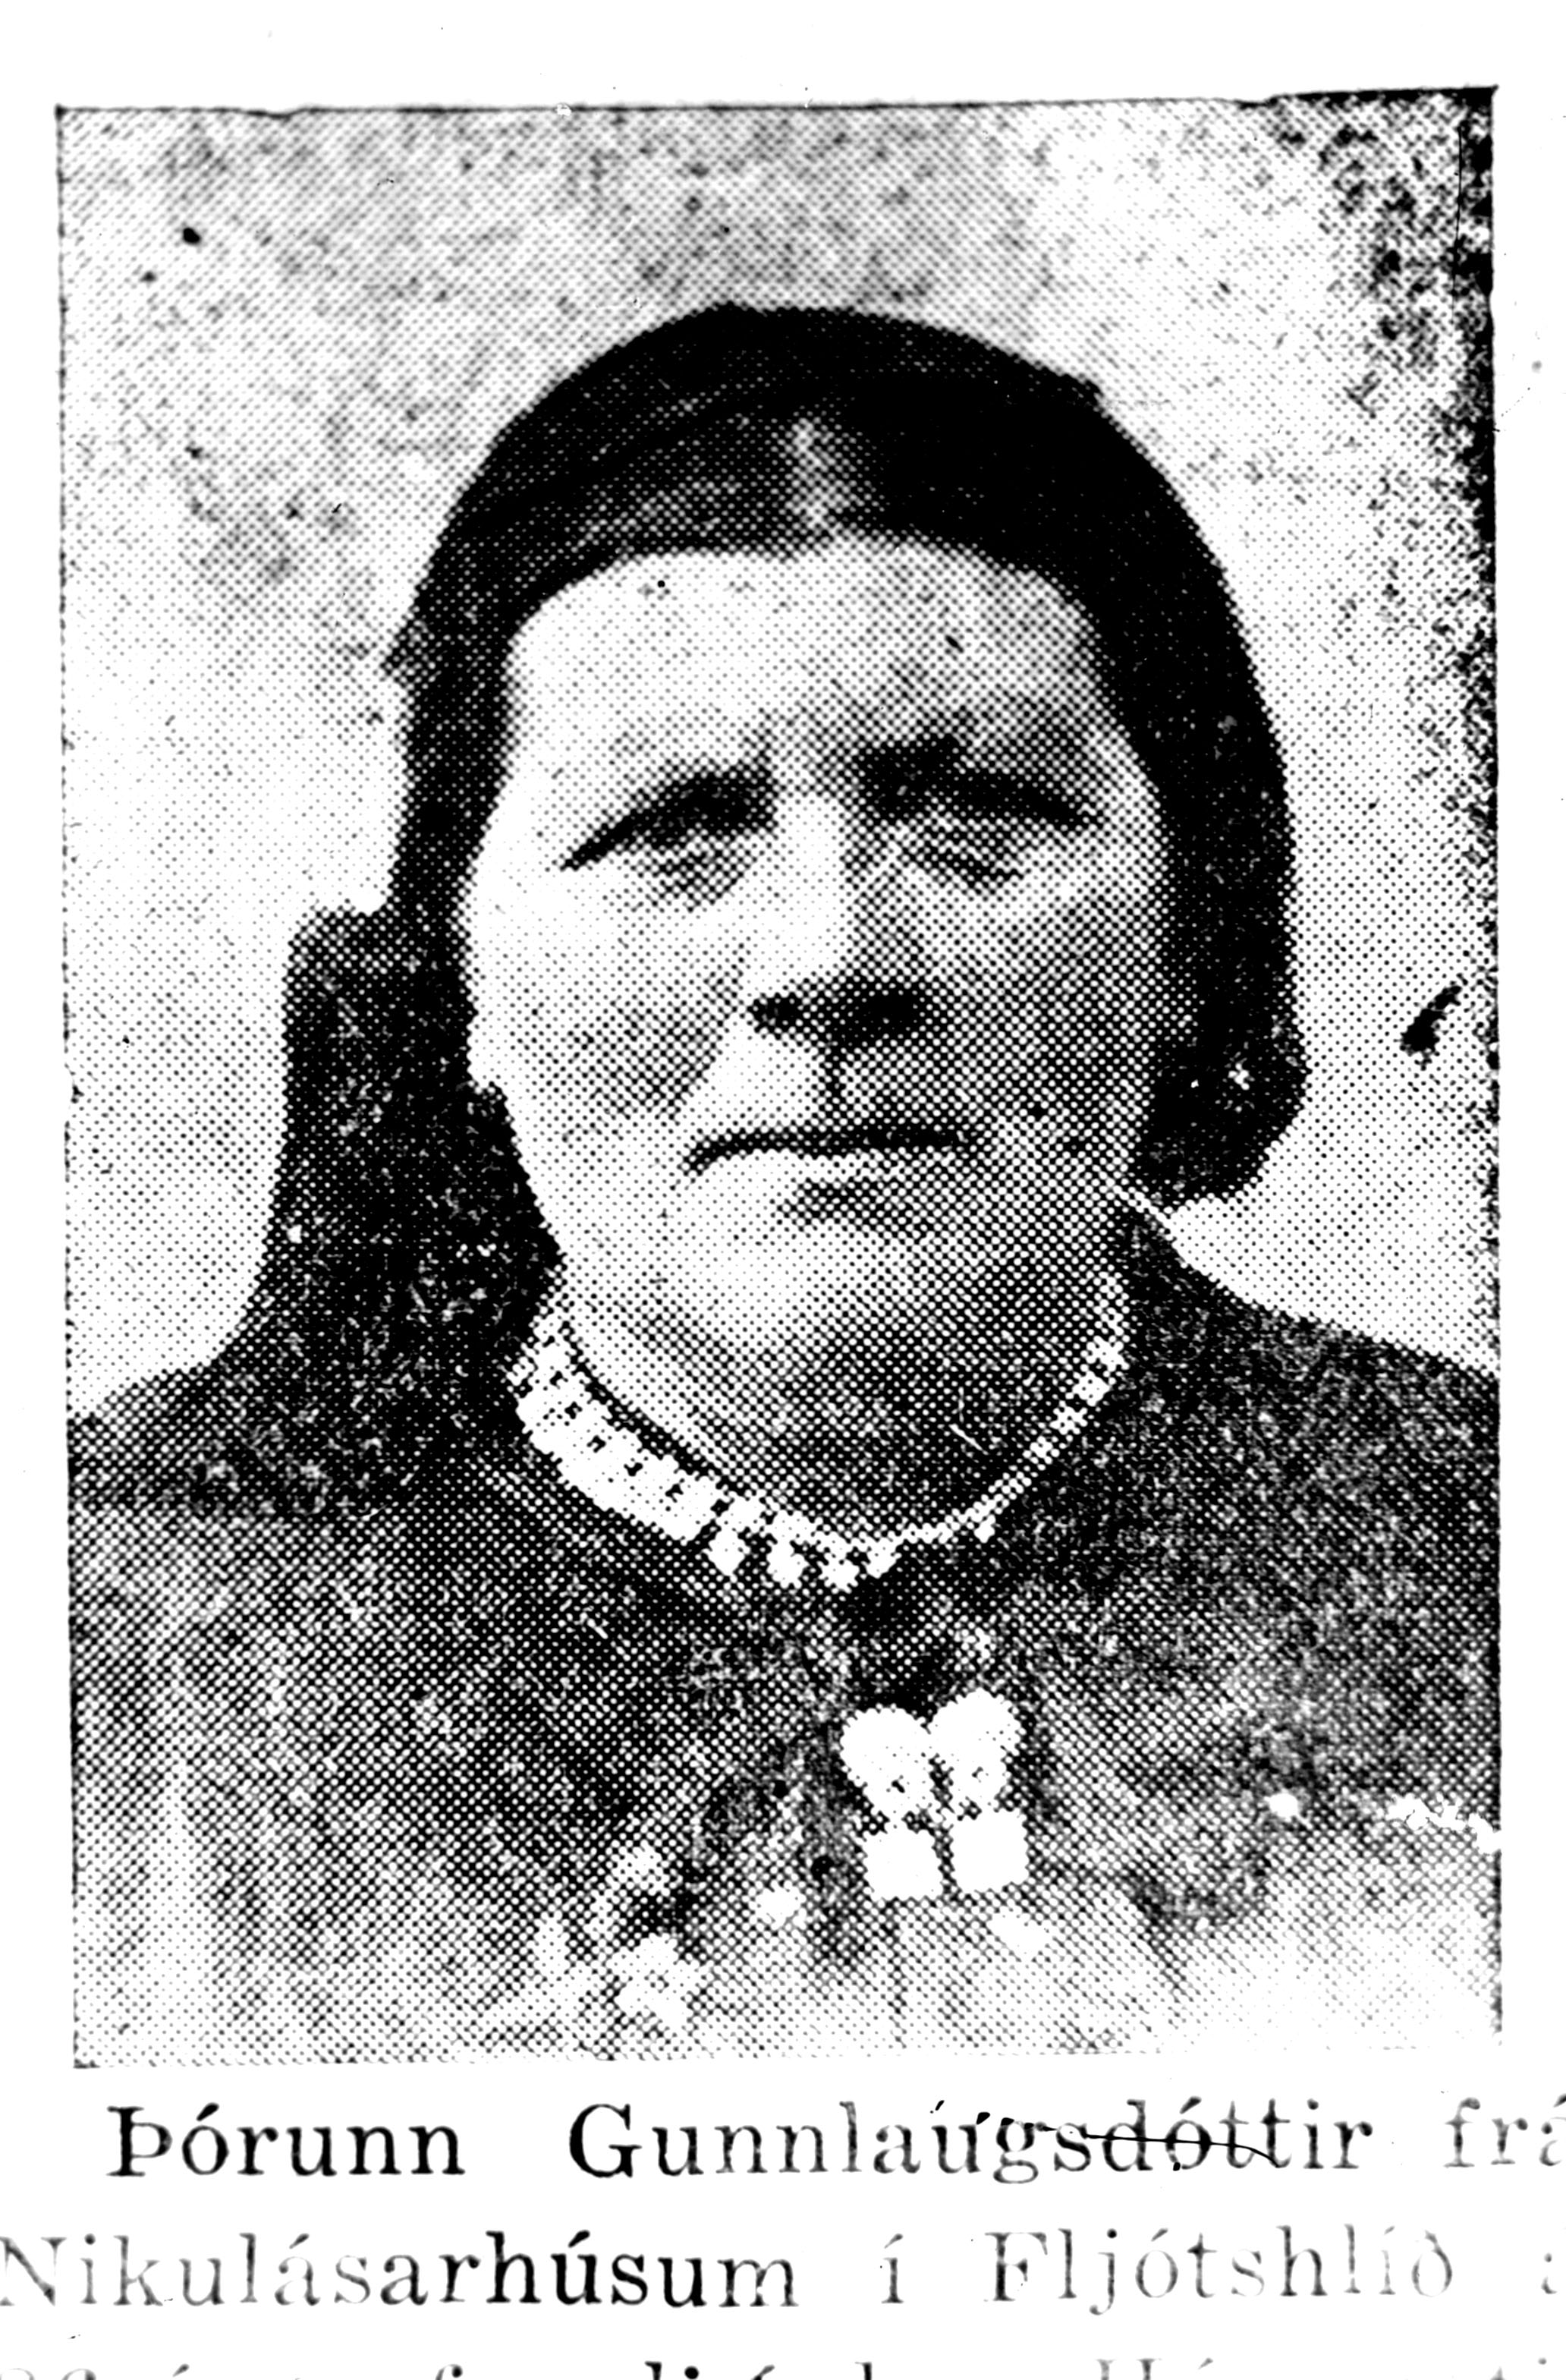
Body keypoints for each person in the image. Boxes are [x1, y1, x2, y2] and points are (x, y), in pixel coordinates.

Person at [72, 303, 1495, 2060]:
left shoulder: (1488, 1546)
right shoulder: (113, 1653)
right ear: (464, 976)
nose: (827, 957)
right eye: (673, 828)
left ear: (1194, 931)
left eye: (978, 810)